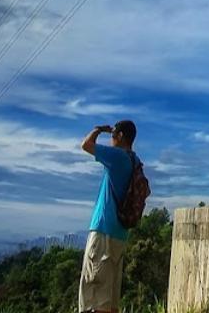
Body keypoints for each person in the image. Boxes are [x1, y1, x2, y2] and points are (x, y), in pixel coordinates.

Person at [79, 120, 139, 313]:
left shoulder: (117, 156)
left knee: (95, 297)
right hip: (120, 234)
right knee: (111, 300)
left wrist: (98, 130)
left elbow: (86, 145)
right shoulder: (134, 160)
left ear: (120, 136)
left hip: (104, 229)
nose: (111, 138)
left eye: (113, 134)